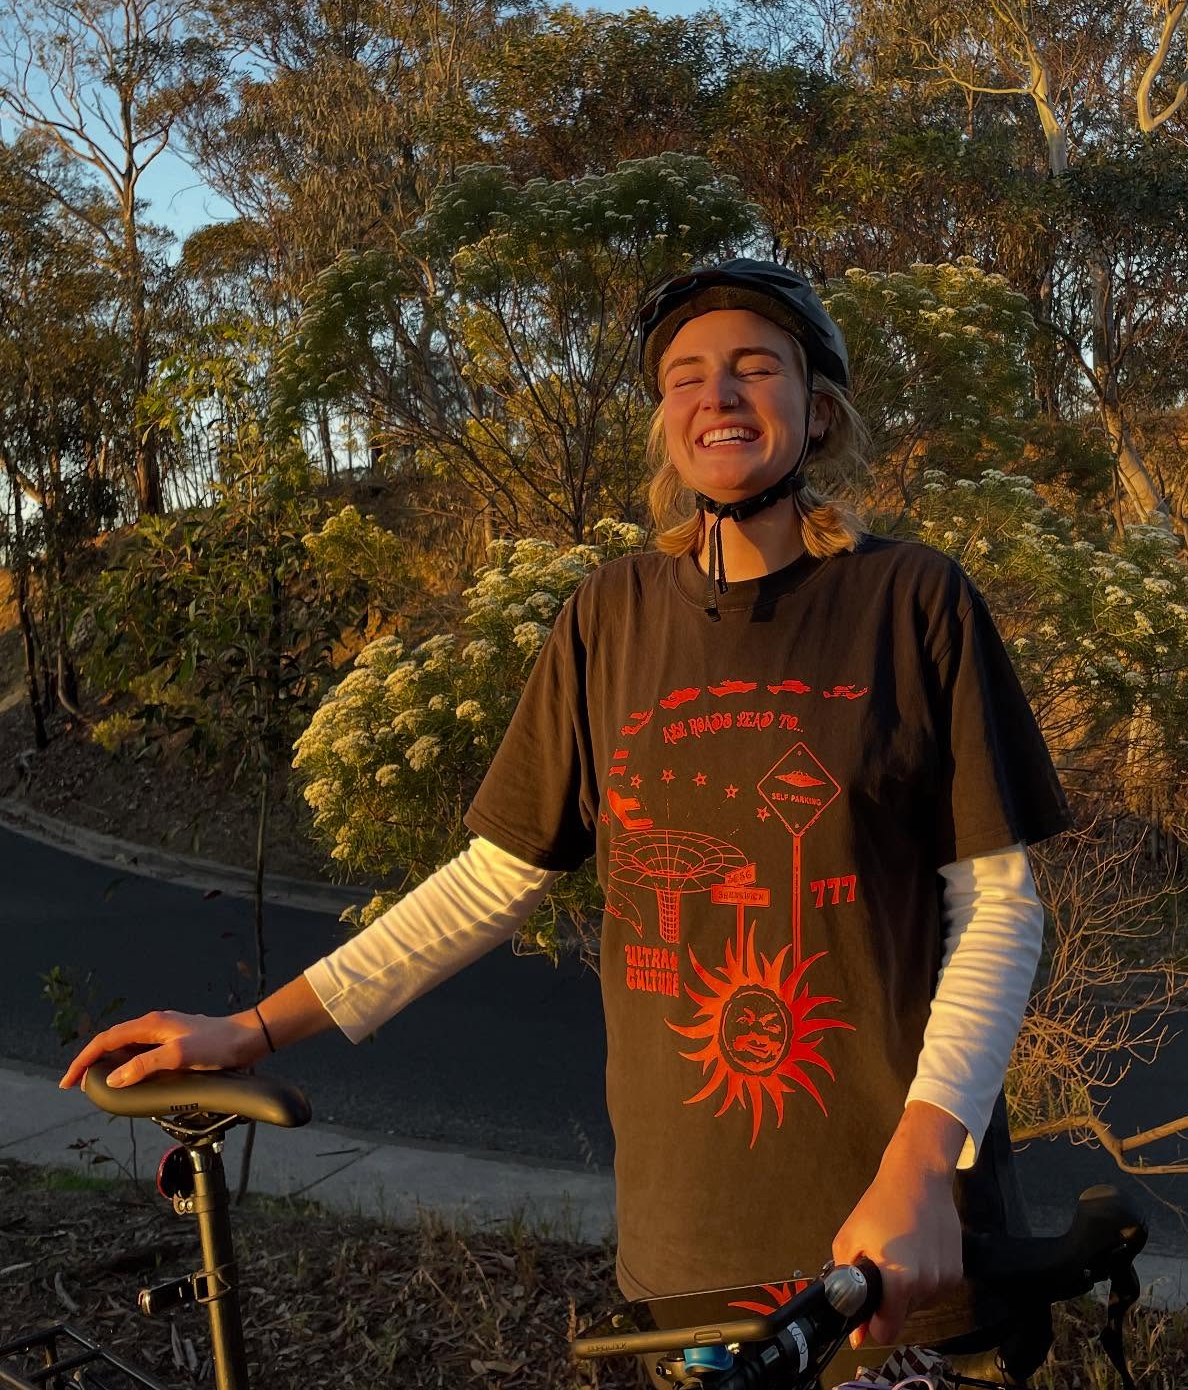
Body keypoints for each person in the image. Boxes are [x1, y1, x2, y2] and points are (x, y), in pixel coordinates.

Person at [62, 259, 1069, 1388]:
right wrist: (253, 1028)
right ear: (664, 426)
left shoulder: (914, 602)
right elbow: (495, 880)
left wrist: (925, 1166)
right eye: (686, 377)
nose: (718, 396)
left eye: (754, 369)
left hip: (901, 1249)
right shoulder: (610, 616)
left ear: (818, 410)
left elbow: (995, 910)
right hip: (691, 1244)